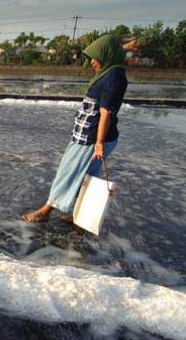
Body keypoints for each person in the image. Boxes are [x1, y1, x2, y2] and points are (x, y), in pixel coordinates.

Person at [22, 35, 131, 224]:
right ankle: (81, 218)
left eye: (94, 57)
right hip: (90, 135)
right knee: (89, 177)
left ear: (105, 56)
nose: (92, 62)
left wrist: (98, 143)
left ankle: (45, 211)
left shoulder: (113, 77)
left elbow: (105, 113)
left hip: (91, 139)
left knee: (68, 172)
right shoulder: (112, 72)